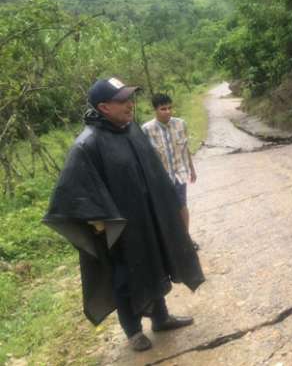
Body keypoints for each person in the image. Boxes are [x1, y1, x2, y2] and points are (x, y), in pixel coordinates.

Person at [44, 78, 205, 352]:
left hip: (148, 219)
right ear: (104, 107)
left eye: (130, 98)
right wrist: (100, 222)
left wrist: (168, 206)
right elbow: (70, 194)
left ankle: (161, 318)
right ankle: (132, 331)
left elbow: (152, 169)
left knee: (154, 265)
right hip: (120, 230)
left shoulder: (131, 130)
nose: (130, 104)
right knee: (125, 277)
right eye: (122, 100)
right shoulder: (87, 144)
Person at [141, 93, 199, 250]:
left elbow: (185, 149)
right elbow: (145, 157)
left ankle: (186, 239)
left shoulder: (181, 124)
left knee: (182, 205)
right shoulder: (146, 129)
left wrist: (192, 170)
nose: (167, 111)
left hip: (179, 174)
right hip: (160, 178)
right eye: (163, 109)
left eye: (169, 108)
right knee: (165, 209)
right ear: (155, 110)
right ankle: (169, 244)